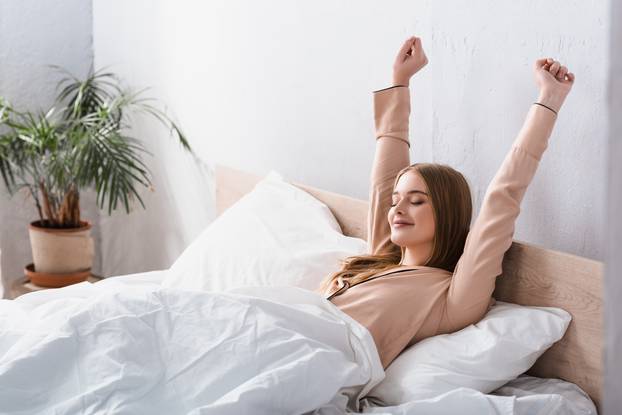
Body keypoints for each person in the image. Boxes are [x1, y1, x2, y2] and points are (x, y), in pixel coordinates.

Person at [316, 35, 575, 370]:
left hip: (323, 362)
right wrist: (400, 81)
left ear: (446, 214)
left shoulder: (452, 297)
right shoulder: (383, 259)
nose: (396, 210)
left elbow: (503, 197)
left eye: (417, 201)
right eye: (397, 201)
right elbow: (384, 179)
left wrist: (549, 101)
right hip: (288, 328)